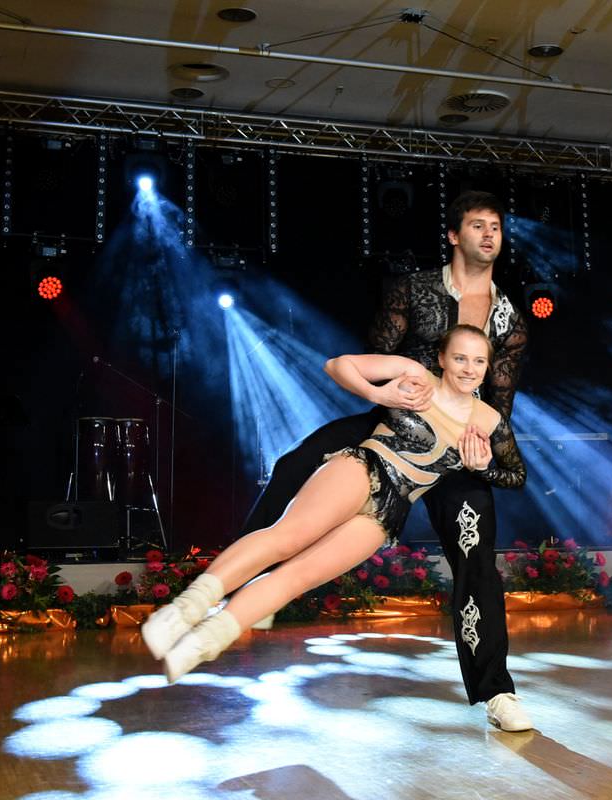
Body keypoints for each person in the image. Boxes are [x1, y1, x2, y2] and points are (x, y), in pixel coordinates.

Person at [223, 191, 532, 729]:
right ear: (454, 235)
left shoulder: (510, 320)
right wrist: (390, 394)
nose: (489, 235)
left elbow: (499, 403)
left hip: (457, 445)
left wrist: (480, 452)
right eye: (477, 225)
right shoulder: (414, 288)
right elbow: (376, 356)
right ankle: (248, 586)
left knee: (475, 554)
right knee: (295, 465)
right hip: (398, 419)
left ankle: (496, 692)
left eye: (496, 227)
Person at [142, 326, 534, 720]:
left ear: (488, 367)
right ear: (443, 359)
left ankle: (198, 646)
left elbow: (515, 475)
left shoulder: (488, 420)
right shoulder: (415, 375)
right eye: (460, 358)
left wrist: (482, 468)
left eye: (479, 361)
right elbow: (338, 365)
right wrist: (380, 395)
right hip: (365, 469)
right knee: (286, 538)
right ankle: (182, 612)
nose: (469, 368)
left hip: (390, 509)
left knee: (297, 578)